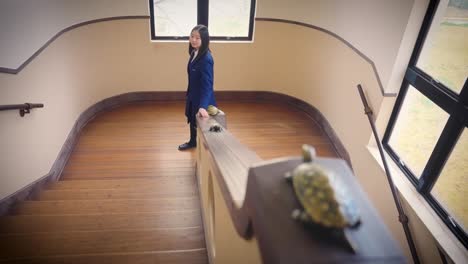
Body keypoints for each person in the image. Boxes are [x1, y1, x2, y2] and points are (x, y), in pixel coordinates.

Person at [178, 25, 217, 151]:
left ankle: (204, 148)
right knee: (192, 120)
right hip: (193, 95)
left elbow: (208, 84)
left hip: (201, 98)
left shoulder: (206, 59)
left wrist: (203, 106)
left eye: (197, 38)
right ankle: (192, 141)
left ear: (204, 40)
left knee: (201, 124)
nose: (193, 40)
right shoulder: (194, 53)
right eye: (192, 36)